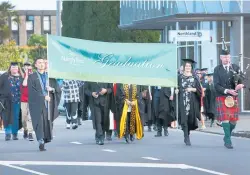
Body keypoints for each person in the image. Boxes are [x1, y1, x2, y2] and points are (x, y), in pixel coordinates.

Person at [213, 49, 244, 149]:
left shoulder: (235, 67)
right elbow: (216, 85)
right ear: (221, 58)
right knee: (225, 119)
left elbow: (242, 79)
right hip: (222, 96)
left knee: (233, 121)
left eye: (228, 57)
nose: (227, 59)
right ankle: (228, 140)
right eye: (225, 57)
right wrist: (227, 91)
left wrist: (241, 85)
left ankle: (227, 136)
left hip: (233, 97)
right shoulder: (217, 69)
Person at [28, 58, 53, 151]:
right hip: (36, 103)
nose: (41, 64)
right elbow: (32, 91)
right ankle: (40, 140)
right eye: (39, 63)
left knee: (46, 122)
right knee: (39, 122)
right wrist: (43, 97)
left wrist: (52, 89)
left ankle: (45, 138)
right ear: (36, 65)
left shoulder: (49, 76)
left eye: (43, 62)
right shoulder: (32, 77)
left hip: (47, 104)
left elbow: (57, 88)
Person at [176, 59, 202, 146]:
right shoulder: (179, 77)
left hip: (191, 100)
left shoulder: (195, 77)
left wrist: (192, 89)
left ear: (191, 67)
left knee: (190, 119)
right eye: (186, 66)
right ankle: (186, 137)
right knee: (184, 119)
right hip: (182, 100)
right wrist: (176, 90)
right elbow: (177, 87)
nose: (188, 68)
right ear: (183, 67)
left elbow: (199, 90)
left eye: (189, 66)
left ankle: (187, 133)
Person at [0, 62, 23, 141]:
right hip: (5, 101)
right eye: (13, 67)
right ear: (10, 68)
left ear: (18, 69)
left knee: (15, 117)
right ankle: (7, 134)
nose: (14, 69)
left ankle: (15, 134)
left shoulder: (21, 77)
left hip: (17, 101)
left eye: (16, 68)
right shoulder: (4, 76)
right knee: (6, 117)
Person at [20, 62, 34, 141]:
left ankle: (30, 133)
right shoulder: (22, 75)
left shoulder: (33, 75)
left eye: (28, 67)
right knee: (24, 117)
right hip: (23, 100)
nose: (27, 68)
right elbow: (24, 84)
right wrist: (26, 74)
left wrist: (29, 74)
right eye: (25, 67)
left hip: (31, 99)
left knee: (30, 117)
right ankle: (25, 129)